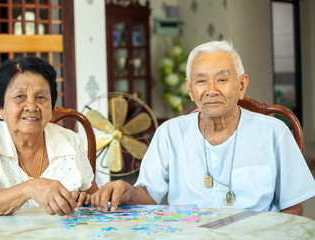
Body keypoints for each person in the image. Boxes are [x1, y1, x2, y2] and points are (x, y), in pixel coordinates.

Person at [91, 40, 315, 215]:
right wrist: (128, 191)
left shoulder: (274, 133)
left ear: (242, 85)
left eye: (222, 80)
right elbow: (150, 197)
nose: (210, 90)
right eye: (201, 81)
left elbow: (293, 207)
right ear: (190, 89)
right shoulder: (170, 133)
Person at [0, 56, 98, 216]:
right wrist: (30, 188)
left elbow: (93, 198)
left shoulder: (69, 140)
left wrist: (81, 200)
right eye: (20, 97)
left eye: (41, 98)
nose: (32, 106)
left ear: (51, 106)